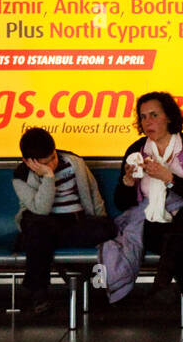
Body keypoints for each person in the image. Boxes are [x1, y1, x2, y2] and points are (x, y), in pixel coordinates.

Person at [113, 92, 183, 342]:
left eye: (154, 115)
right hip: (155, 223)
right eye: (142, 117)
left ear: (169, 117)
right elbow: (122, 204)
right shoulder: (136, 151)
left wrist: (169, 178)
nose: (147, 122)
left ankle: (162, 281)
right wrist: (128, 182)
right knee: (178, 244)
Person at [13, 127, 114, 316]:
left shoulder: (73, 162)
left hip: (73, 224)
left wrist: (100, 219)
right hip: (42, 222)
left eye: (53, 158)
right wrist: (48, 177)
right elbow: (41, 209)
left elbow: (93, 193)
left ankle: (47, 263)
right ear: (28, 162)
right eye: (44, 163)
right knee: (39, 228)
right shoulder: (20, 177)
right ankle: (39, 292)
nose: (51, 164)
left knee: (106, 229)